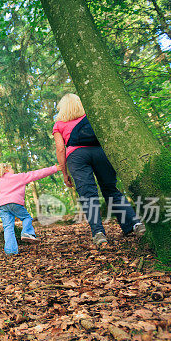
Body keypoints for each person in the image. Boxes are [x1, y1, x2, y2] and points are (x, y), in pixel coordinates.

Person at [52, 93, 145, 247]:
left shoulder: (59, 124)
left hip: (76, 156)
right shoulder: (90, 117)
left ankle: (99, 233)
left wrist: (64, 173)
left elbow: (60, 149)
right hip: (100, 153)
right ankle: (134, 224)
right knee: (111, 190)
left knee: (88, 196)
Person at [0, 163, 58, 255]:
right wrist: (54, 168)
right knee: (26, 218)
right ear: (7, 169)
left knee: (8, 227)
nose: (13, 170)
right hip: (14, 203)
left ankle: (10, 251)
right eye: (11, 168)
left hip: (1, 207)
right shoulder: (19, 177)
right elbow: (37, 173)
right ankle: (27, 233)